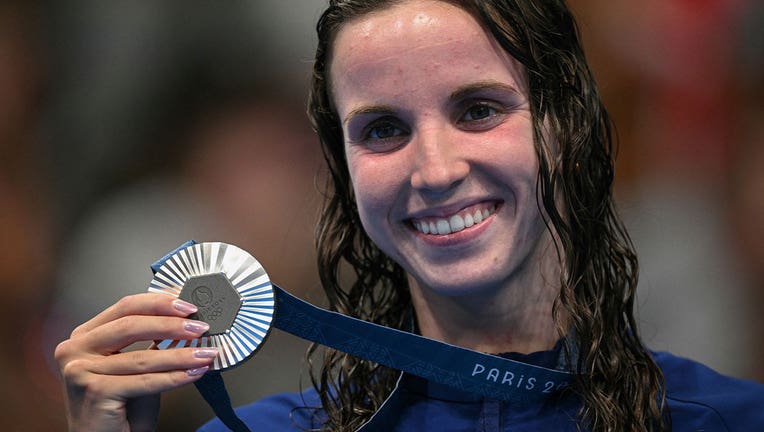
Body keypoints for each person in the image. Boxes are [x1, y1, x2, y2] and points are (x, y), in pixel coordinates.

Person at [54, 1, 764, 431]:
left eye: (478, 110)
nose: (435, 169)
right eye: (383, 130)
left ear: (563, 125)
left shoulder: (730, 420)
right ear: (344, 168)